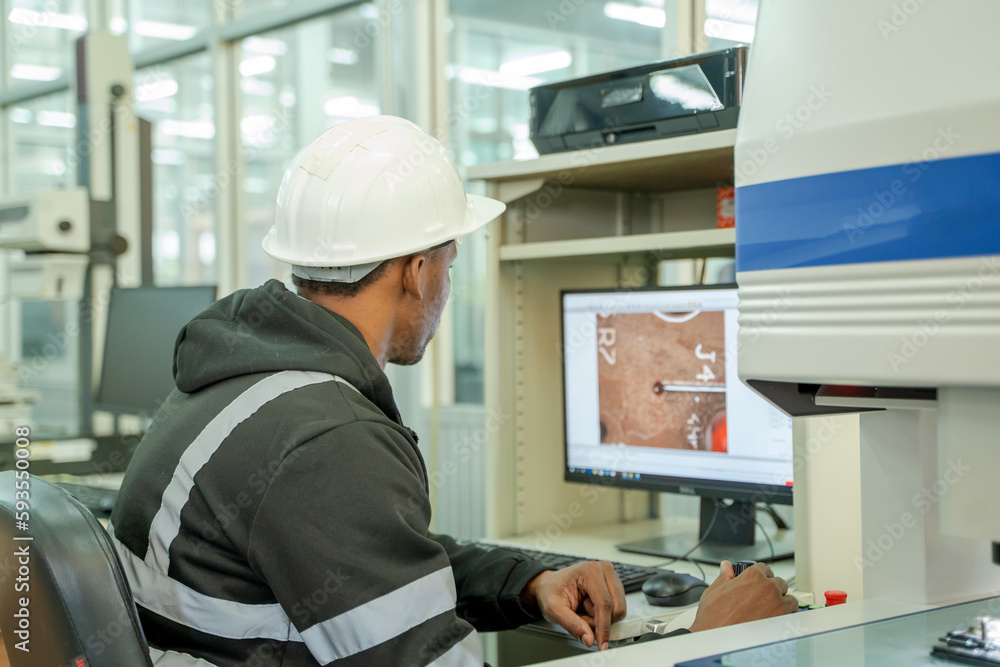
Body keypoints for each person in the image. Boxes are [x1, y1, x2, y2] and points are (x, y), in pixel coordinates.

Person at [109, 116, 797, 667]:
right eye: (448, 261)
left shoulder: (242, 378)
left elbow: (374, 557)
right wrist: (706, 643)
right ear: (414, 272)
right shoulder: (325, 437)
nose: (447, 285)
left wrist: (528, 582)